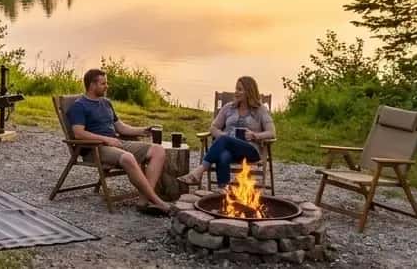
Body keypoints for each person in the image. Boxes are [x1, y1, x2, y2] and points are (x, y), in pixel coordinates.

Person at [68, 68, 173, 215]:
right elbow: (78, 133)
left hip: (115, 143)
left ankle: (144, 200)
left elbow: (121, 127)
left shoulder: (106, 102)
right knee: (128, 157)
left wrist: (143, 130)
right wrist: (106, 140)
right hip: (95, 149)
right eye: (103, 83)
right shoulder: (79, 106)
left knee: (158, 150)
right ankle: (157, 201)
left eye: (106, 83)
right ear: (92, 85)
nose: (107, 86)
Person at [177, 76, 275, 188]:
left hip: (250, 150)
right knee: (223, 156)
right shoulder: (228, 108)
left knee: (224, 140)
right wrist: (221, 134)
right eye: (236, 89)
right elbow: (213, 128)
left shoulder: (260, 110)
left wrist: (255, 135)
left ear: (249, 91)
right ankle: (223, 192)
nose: (236, 92)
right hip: (230, 149)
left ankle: (200, 171)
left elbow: (271, 132)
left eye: (239, 89)